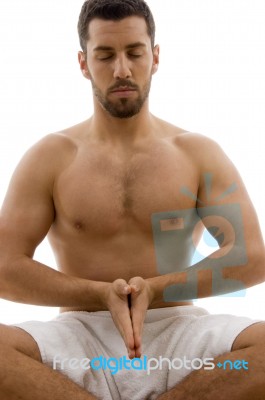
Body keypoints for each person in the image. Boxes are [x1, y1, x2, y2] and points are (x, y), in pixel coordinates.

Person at [0, 0, 265, 399]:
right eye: (105, 55)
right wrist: (98, 294)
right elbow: (5, 266)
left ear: (154, 57)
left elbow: (251, 255)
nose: (121, 69)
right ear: (83, 63)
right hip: (80, 338)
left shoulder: (196, 151)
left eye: (134, 53)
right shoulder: (50, 156)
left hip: (179, 333)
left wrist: (154, 290)